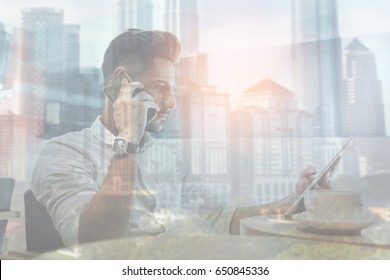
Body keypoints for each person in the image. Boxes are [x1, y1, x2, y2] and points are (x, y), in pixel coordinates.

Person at [32, 29, 321, 246]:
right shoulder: (64, 153)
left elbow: (217, 219)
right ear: (121, 83)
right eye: (160, 87)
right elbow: (94, 240)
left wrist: (293, 202)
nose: (171, 103)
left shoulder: (169, 157)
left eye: (172, 89)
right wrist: (127, 141)